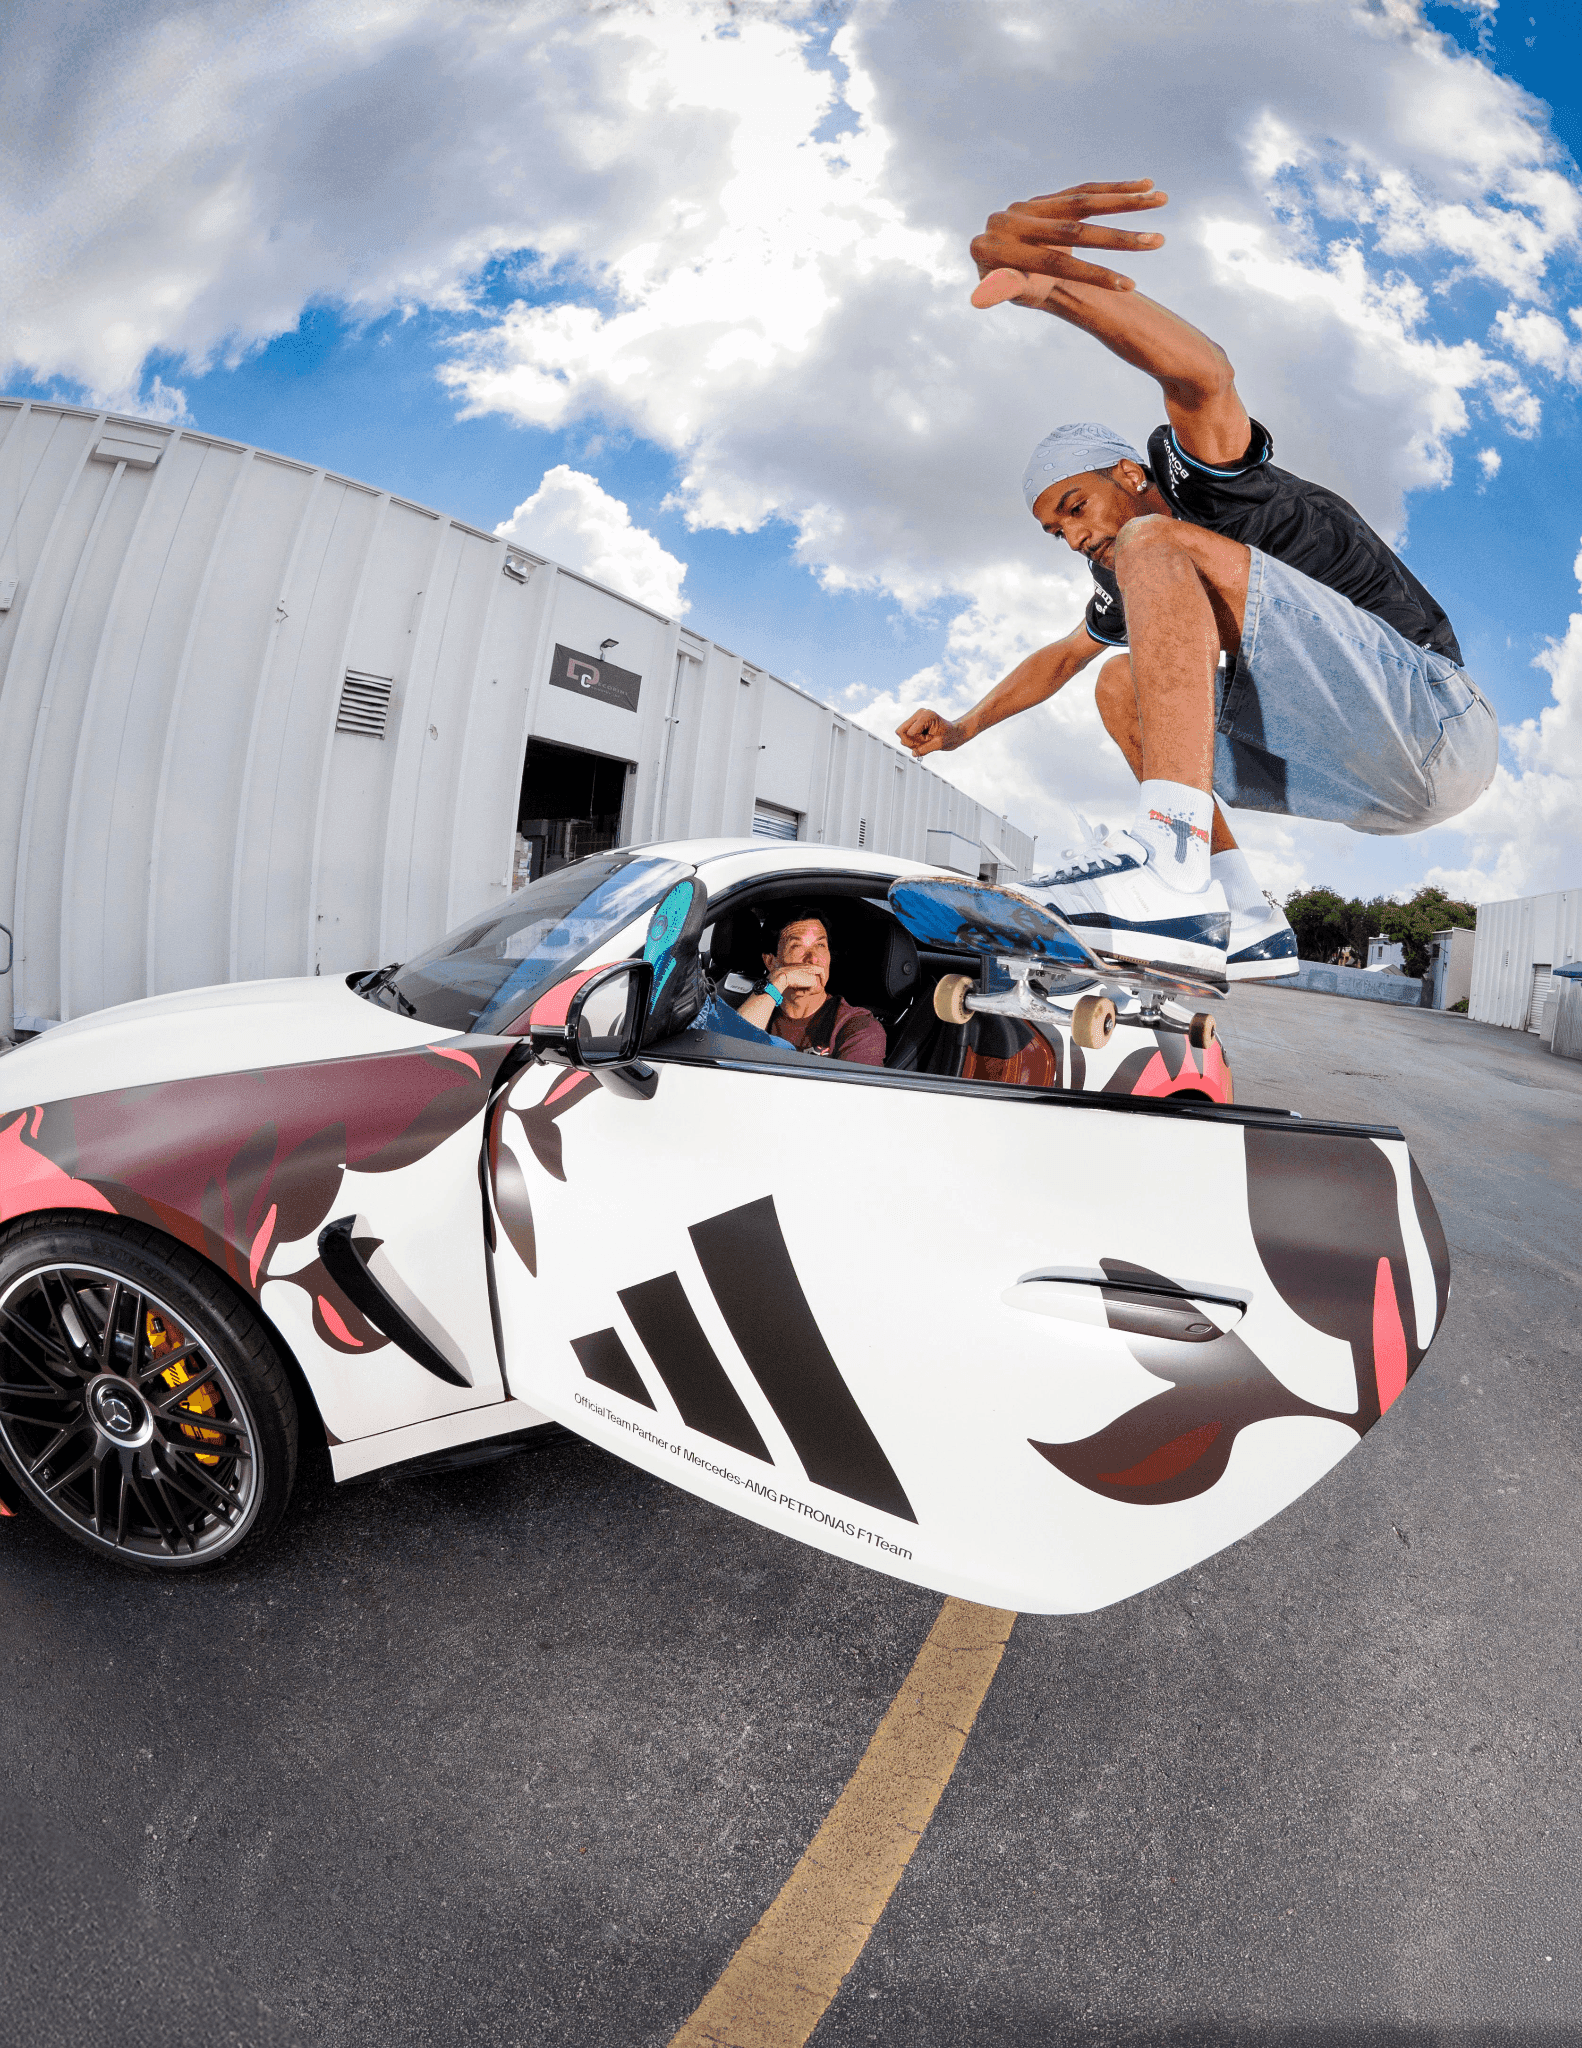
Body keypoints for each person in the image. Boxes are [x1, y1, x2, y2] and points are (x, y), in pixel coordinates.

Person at [896, 179, 1498, 982]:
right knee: (1118, 680)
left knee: (1153, 544)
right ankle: (1240, 910)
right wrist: (965, 729)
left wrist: (1056, 292)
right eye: (1057, 532)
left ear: (1125, 468)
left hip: (1435, 720)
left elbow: (1204, 377)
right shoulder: (1128, 569)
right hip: (1361, 783)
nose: (1077, 536)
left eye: (1076, 507)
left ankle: (1168, 870)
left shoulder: (1206, 483)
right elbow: (1062, 657)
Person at [734, 910, 887, 1064]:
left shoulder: (857, 1026)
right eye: (797, 946)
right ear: (770, 962)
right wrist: (780, 979)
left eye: (820, 945)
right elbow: (730, 1057)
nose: (813, 958)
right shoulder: (757, 1009)